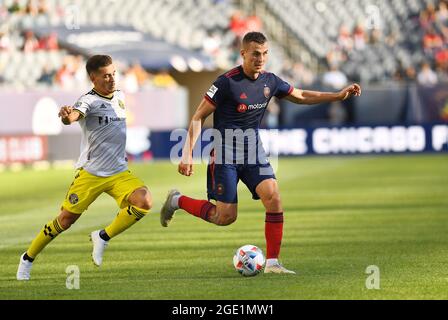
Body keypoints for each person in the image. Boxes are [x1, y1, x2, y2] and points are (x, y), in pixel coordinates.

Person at [160, 32, 361, 274]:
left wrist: (337, 96)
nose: (261, 59)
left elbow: (301, 95)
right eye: (256, 53)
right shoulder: (225, 83)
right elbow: (198, 116)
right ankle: (177, 200)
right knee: (225, 217)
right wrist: (187, 153)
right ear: (243, 53)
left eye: (265, 54)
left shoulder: (270, 81)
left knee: (273, 196)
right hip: (225, 154)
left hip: (254, 151)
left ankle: (273, 264)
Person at [17, 55, 152, 280]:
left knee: (144, 201)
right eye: (105, 75)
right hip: (91, 173)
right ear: (93, 77)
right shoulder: (88, 101)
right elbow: (73, 116)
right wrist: (66, 116)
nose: (111, 79)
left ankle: (103, 237)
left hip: (119, 172)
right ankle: (28, 258)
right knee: (65, 221)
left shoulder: (119, 95)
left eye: (113, 74)